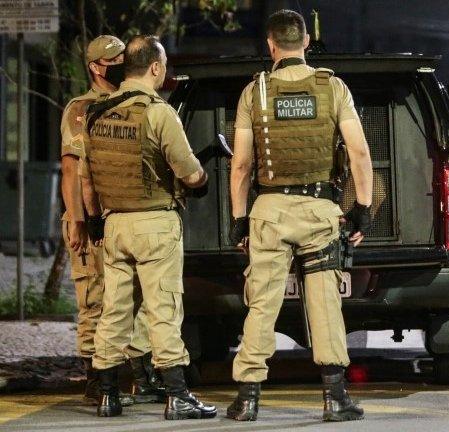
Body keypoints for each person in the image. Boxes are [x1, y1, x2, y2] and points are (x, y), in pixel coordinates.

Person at [227, 9, 373, 422]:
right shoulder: (333, 88)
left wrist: (239, 219)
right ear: (306, 42)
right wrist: (362, 210)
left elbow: (240, 166)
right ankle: (335, 396)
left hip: (269, 211)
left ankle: (248, 398)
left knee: (262, 302)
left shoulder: (253, 93)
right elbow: (360, 152)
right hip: (319, 210)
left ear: (270, 46)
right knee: (325, 301)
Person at [80, 35, 215, 420]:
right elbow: (190, 173)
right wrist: (201, 181)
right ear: (155, 67)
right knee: (164, 309)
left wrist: (94, 224)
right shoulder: (158, 112)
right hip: (155, 223)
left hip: (114, 223)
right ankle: (177, 395)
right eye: (164, 65)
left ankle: (108, 395)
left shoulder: (95, 113)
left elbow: (86, 181)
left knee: (114, 311)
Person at [60, 35, 162, 406]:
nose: (119, 64)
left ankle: (137, 375)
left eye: (123, 58)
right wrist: (76, 220)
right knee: (96, 299)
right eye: (112, 60)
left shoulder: (131, 102)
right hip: (92, 219)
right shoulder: (82, 108)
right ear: (95, 66)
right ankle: (95, 378)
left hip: (123, 217)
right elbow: (71, 171)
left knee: (134, 300)